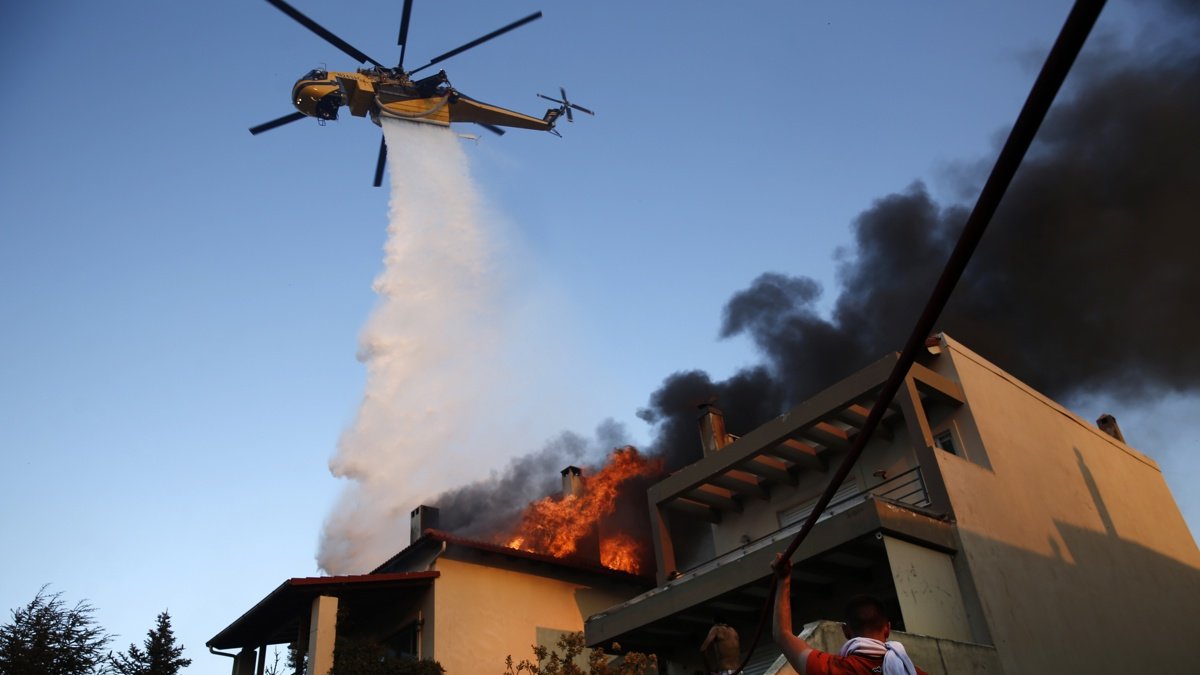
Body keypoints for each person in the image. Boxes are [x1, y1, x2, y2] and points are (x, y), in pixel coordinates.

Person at [771, 553, 928, 675]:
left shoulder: (835, 669)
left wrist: (784, 579)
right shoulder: (913, 672)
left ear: (846, 631)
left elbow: (783, 635)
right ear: (887, 629)